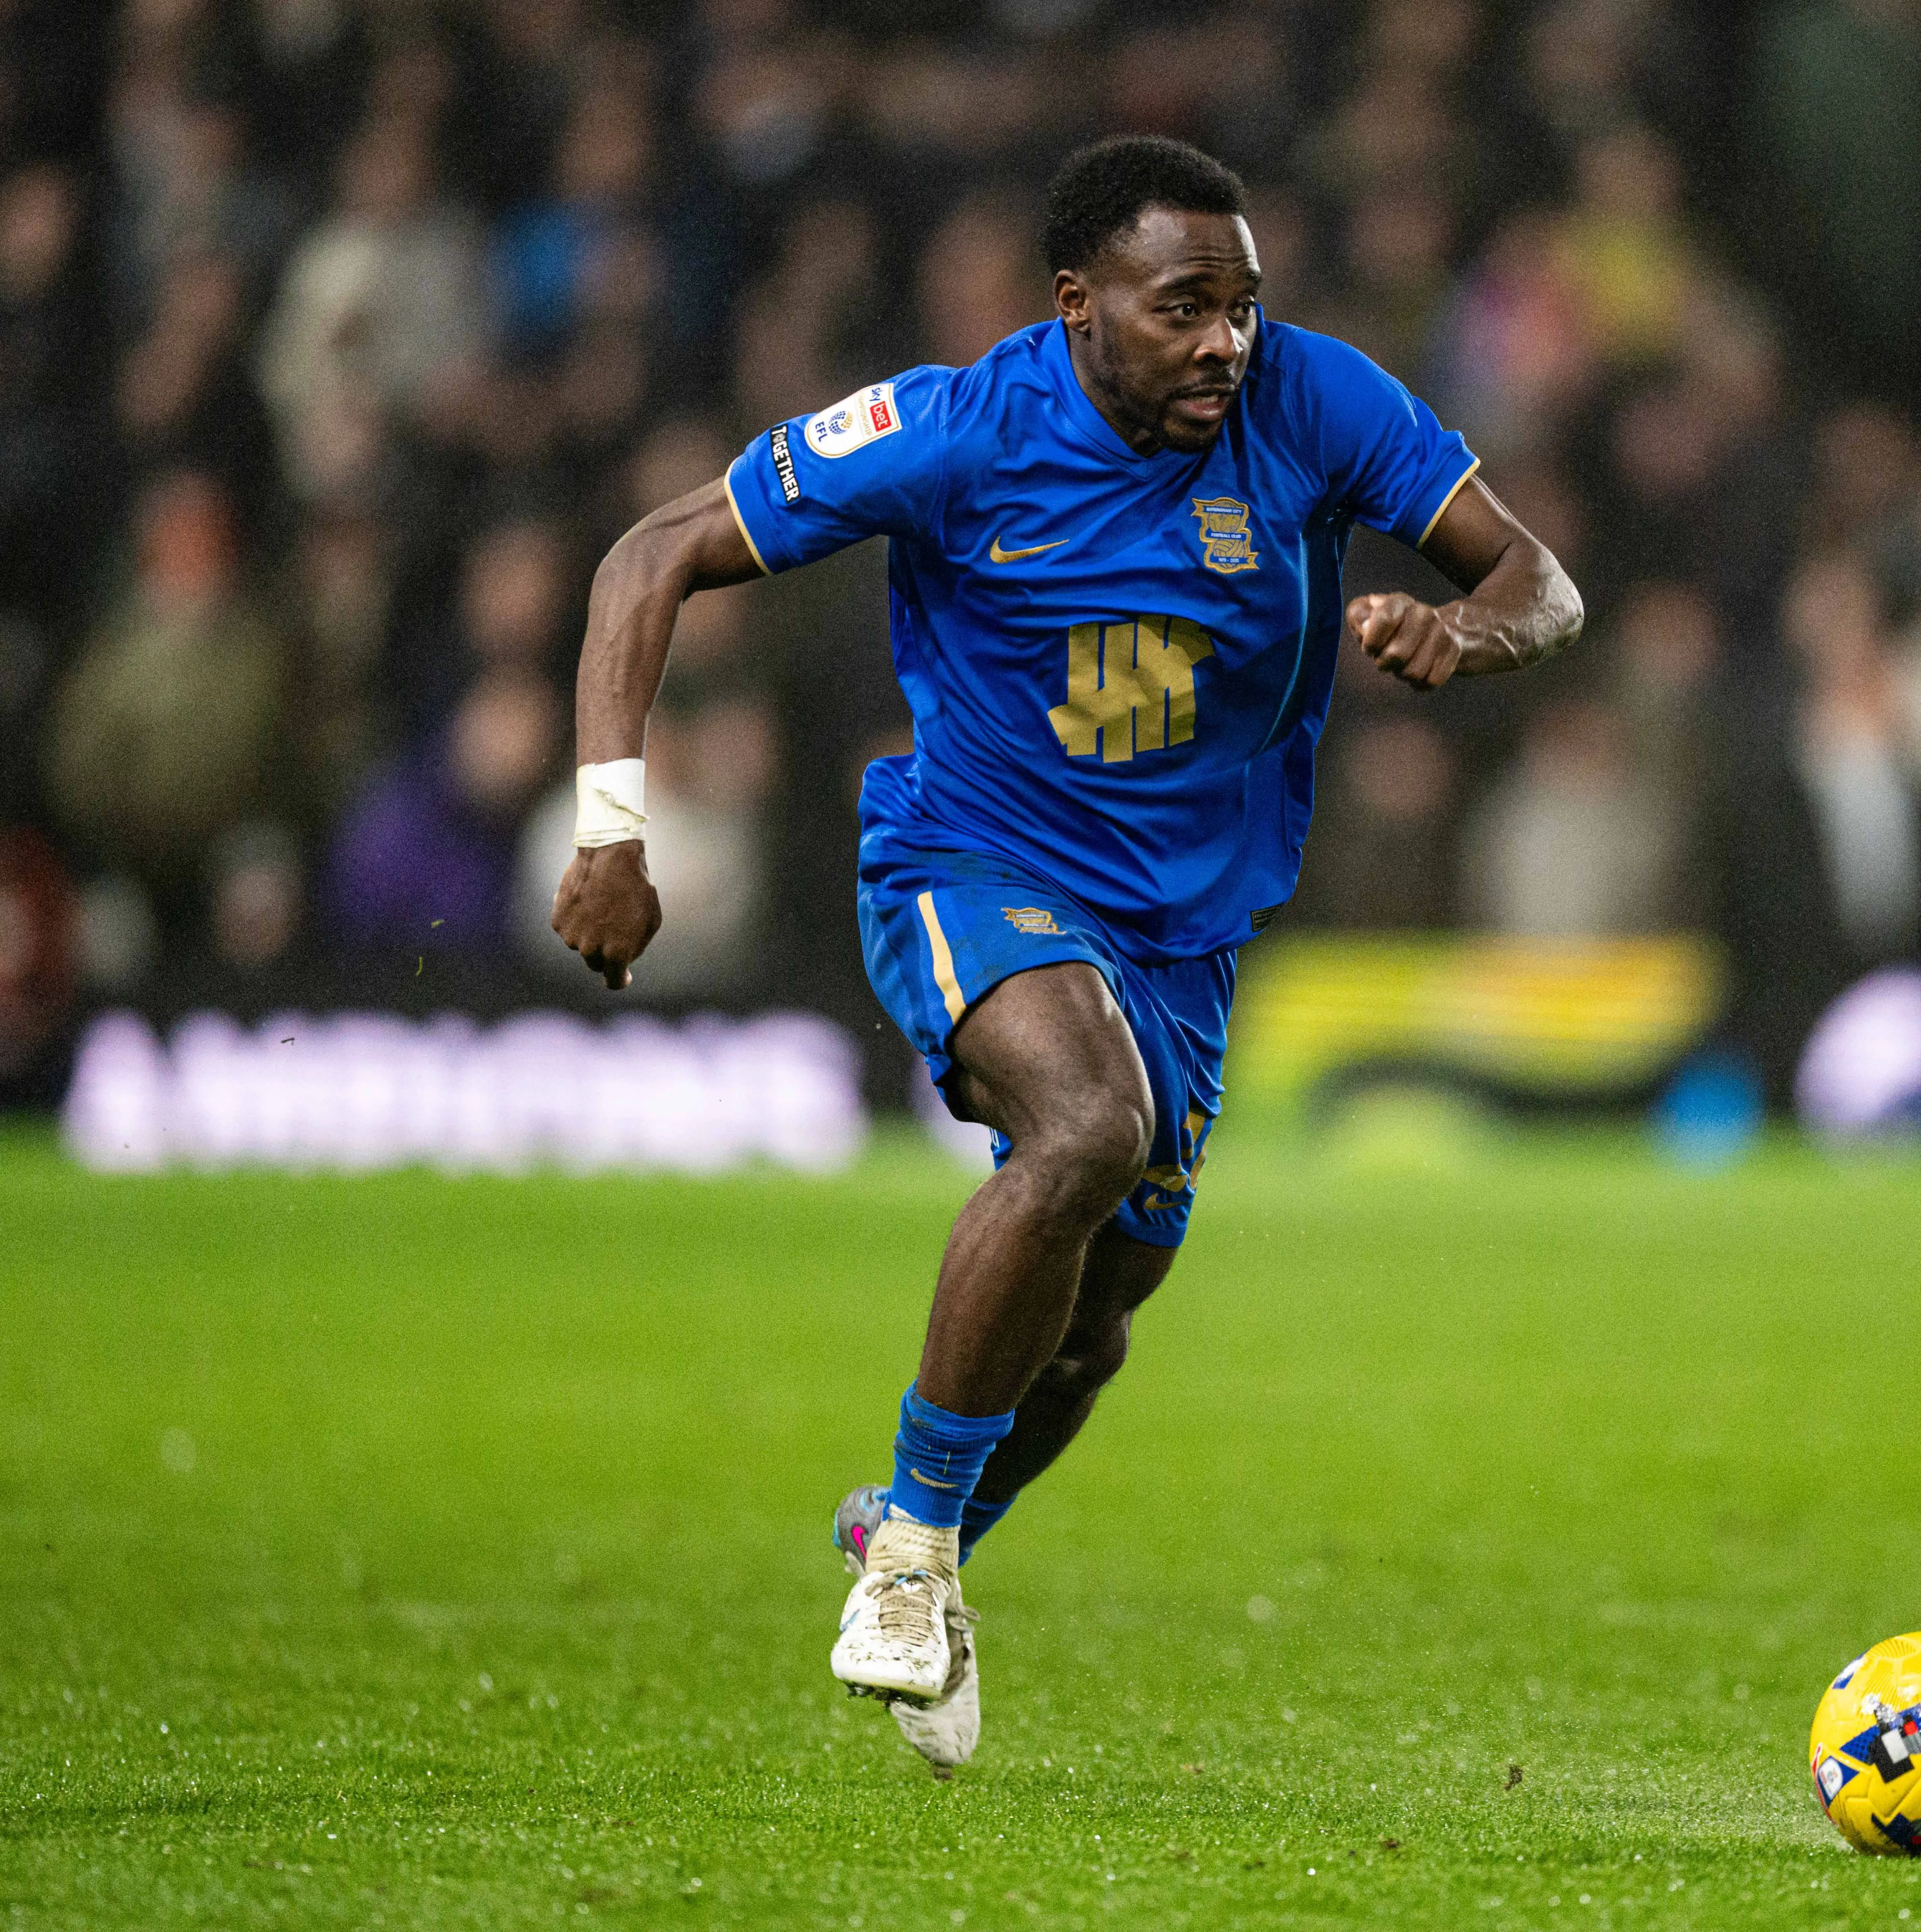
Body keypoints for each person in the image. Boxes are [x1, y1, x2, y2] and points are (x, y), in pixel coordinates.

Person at [548, 137, 1581, 1774]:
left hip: (1185, 932)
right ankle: (906, 1566)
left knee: (1098, 1323)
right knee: (1083, 1126)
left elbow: (1542, 580)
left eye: (1243, 308)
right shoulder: (956, 429)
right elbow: (646, 556)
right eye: (1185, 309)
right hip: (971, 869)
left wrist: (1464, 631)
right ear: (1077, 303)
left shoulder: (1316, 403)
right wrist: (610, 828)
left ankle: (923, 1527)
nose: (1225, 345)